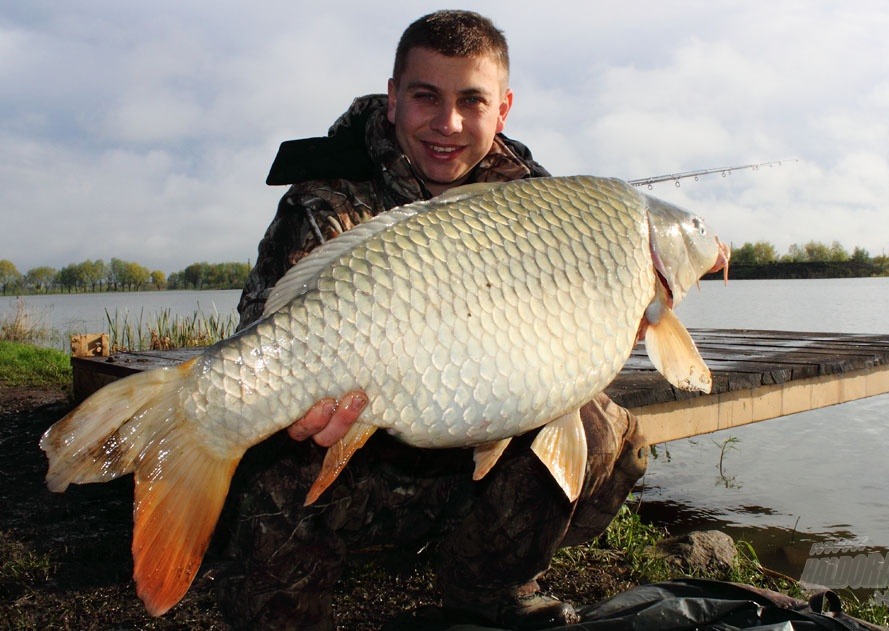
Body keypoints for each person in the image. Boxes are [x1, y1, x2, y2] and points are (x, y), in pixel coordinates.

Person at [215, 10, 648, 630]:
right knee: (280, 452)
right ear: (393, 100)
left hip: (466, 439)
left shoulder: (541, 206)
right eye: (426, 97)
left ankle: (485, 585)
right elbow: (269, 337)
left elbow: (557, 341)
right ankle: (280, 610)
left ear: (503, 111)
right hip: (355, 462)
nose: (448, 124)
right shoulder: (329, 200)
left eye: (472, 101)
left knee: (600, 423)